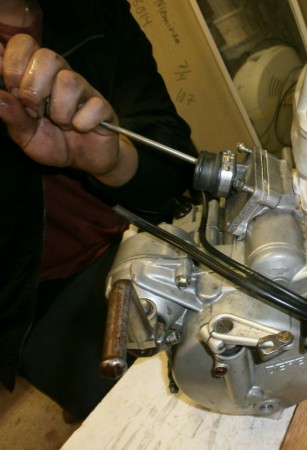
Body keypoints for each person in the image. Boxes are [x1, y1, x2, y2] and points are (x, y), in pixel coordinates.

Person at [0, 0, 197, 420]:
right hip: (38, 298)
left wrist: (115, 162)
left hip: (147, 230)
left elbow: (173, 158)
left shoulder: (95, 9)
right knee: (138, 421)